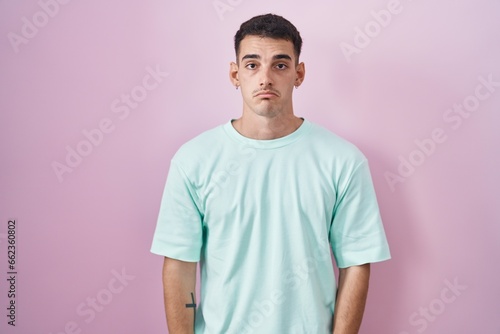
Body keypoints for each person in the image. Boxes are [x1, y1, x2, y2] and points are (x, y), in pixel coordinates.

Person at [151, 13, 391, 334]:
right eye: (252, 65)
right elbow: (179, 265)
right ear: (235, 74)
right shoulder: (193, 159)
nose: (265, 78)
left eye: (280, 65)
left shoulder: (343, 160)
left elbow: (356, 263)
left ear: (299, 73)